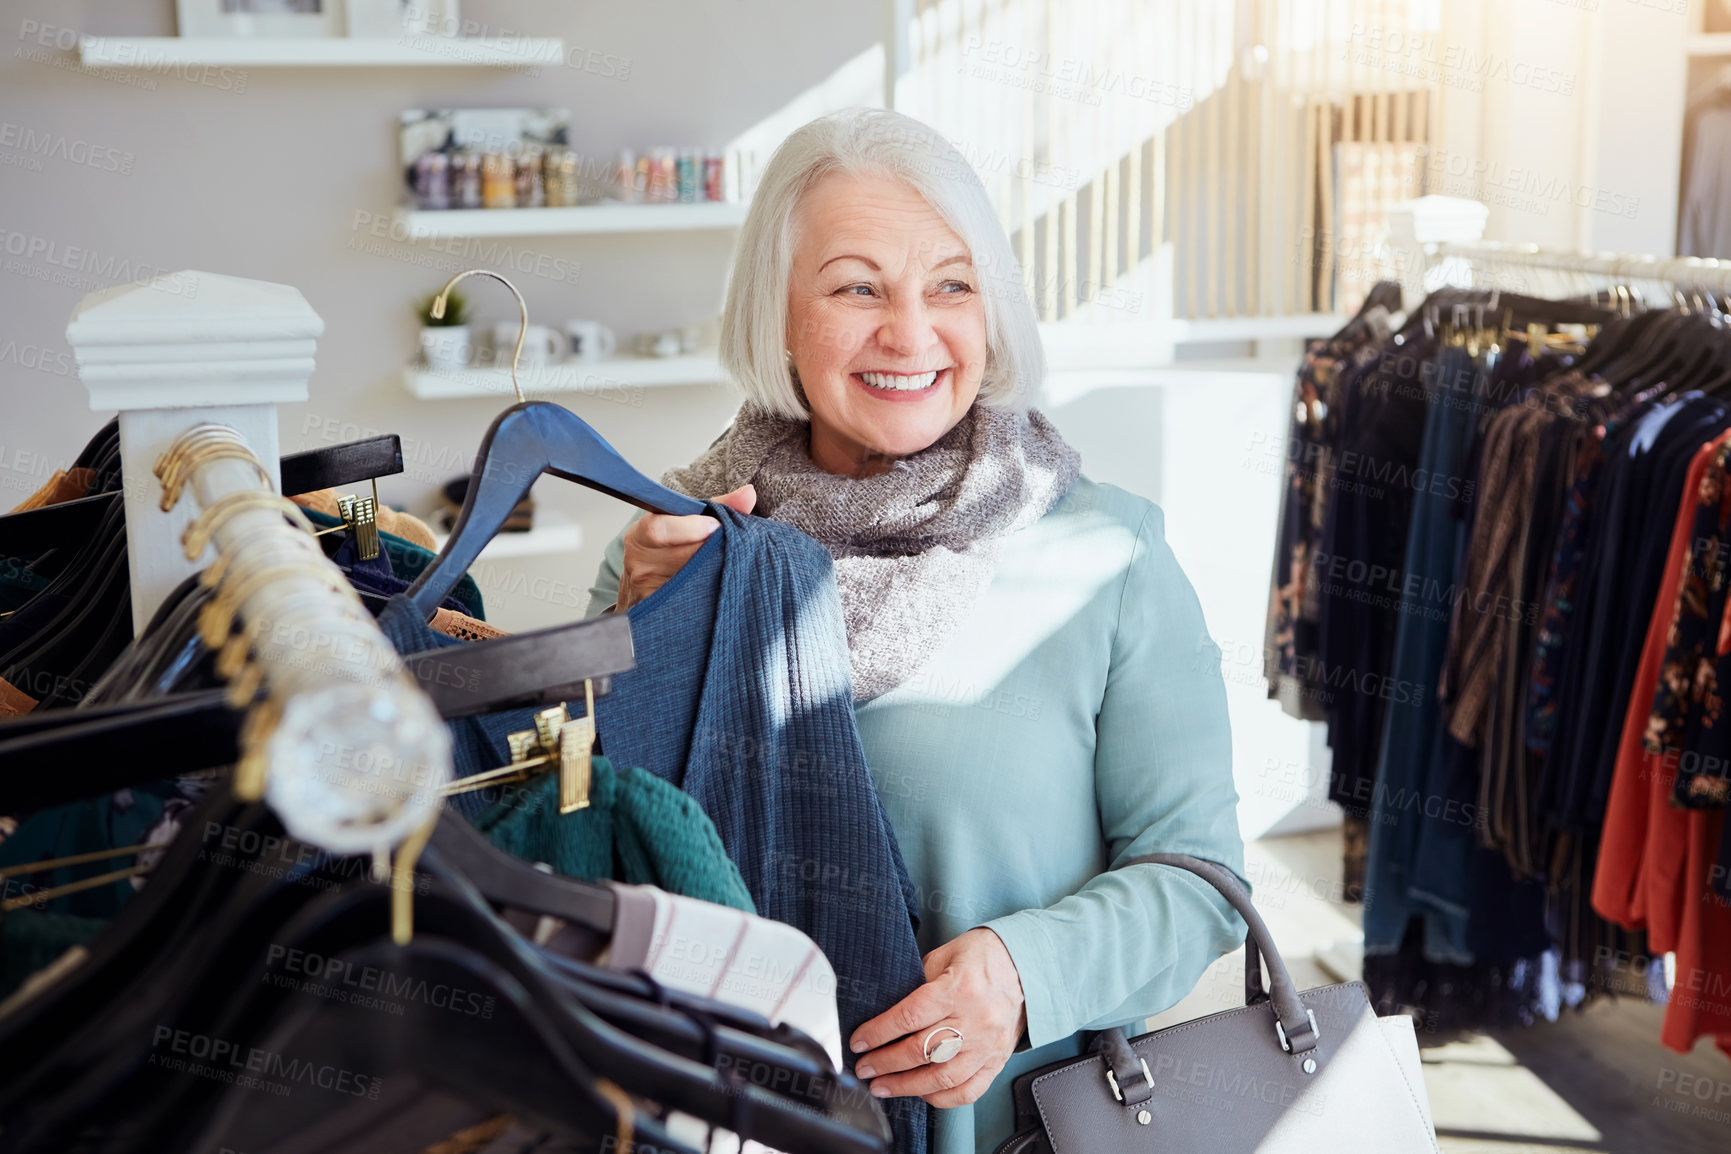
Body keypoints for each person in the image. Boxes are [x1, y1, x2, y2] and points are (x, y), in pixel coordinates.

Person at [586, 107, 1246, 1154]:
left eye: (951, 284)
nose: (910, 331)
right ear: (779, 316)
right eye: (857, 286)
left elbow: (1201, 877)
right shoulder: (680, 544)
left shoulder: (1106, 554)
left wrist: (1028, 972)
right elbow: (583, 836)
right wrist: (639, 636)